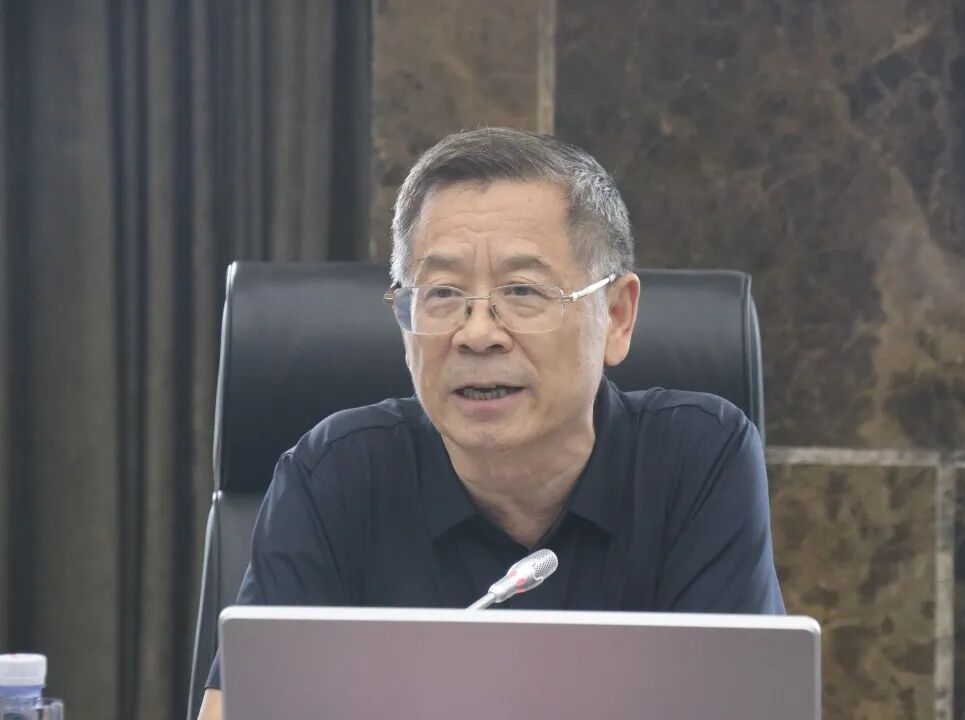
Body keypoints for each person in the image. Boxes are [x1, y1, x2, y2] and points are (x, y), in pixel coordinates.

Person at [197, 127, 784, 720]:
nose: (477, 333)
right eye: (442, 293)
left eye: (523, 290)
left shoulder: (696, 460)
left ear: (616, 316)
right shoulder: (335, 476)